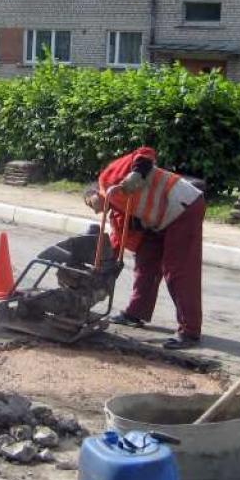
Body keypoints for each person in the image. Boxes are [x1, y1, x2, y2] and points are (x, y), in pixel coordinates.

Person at [85, 147, 205, 350]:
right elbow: (118, 241)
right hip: (160, 220)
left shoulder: (110, 178)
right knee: (145, 261)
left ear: (96, 191)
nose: (95, 209)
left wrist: (137, 173)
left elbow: (144, 152)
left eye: (91, 202)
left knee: (178, 270)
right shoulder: (117, 209)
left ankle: (190, 331)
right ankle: (136, 312)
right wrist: (103, 269)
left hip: (183, 206)